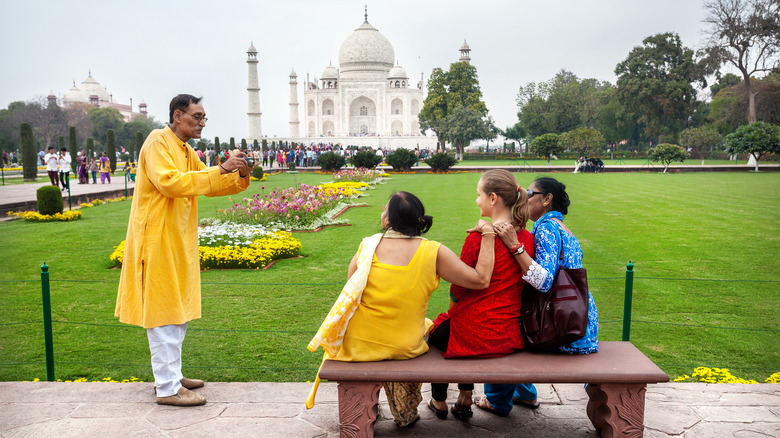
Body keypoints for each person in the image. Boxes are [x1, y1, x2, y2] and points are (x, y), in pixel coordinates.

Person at [307, 191, 497, 427]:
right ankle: (428, 403)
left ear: (388, 219)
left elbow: (351, 290)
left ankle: (378, 408)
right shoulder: (433, 251)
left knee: (424, 325)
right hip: (404, 345)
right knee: (430, 325)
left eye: (384, 208)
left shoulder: (368, 245)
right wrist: (488, 234)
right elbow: (480, 280)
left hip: (358, 344)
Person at [115, 94, 254, 407]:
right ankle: (166, 388)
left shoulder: (185, 150)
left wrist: (240, 172)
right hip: (157, 239)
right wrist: (221, 168)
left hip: (177, 239)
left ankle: (172, 376)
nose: (202, 123)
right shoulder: (157, 142)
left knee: (177, 311)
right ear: (178, 116)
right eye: (197, 117)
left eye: (204, 118)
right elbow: (170, 183)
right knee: (163, 314)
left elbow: (209, 183)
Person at [482, 176, 600, 416]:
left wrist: (515, 246)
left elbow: (544, 282)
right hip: (578, 321)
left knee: (501, 332)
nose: (525, 197)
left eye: (530, 193)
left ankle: (497, 400)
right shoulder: (561, 226)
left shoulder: (546, 228)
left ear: (547, 199)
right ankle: (524, 393)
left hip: (561, 328)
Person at [427, 170, 534, 420]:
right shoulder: (526, 240)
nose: (477, 200)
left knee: (434, 334)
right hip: (508, 336)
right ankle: (464, 397)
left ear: (493, 198)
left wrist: (453, 309)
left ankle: (440, 400)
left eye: (479, 195)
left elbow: (458, 288)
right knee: (452, 329)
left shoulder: (477, 239)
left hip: (475, 332)